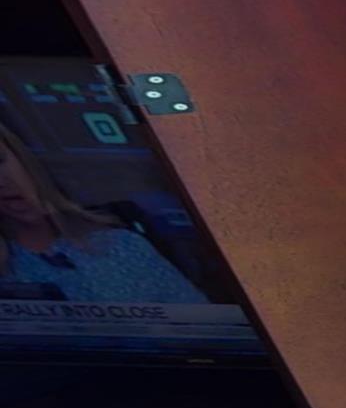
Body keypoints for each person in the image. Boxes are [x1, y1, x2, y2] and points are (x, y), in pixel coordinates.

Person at [0, 122, 207, 304]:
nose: (2, 181)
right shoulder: (9, 267)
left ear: (21, 157)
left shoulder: (121, 247)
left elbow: (201, 324)